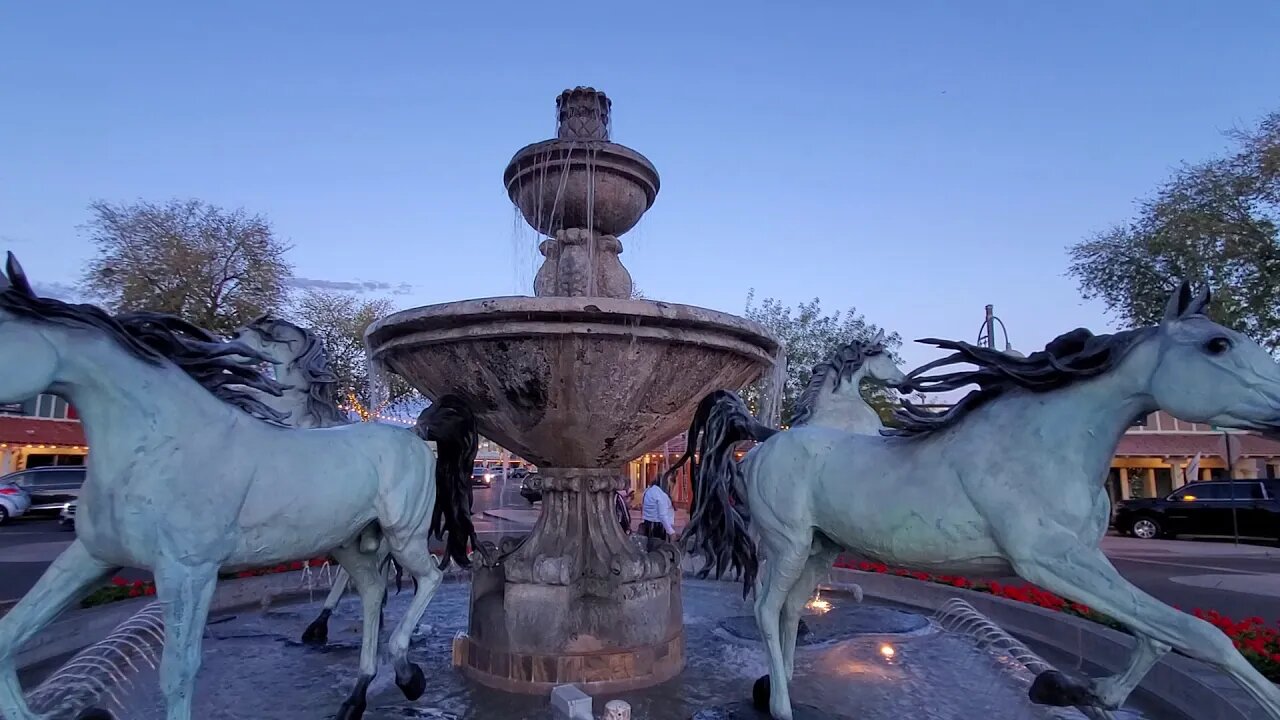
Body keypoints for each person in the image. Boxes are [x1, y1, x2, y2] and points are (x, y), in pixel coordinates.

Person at [640, 475, 676, 545]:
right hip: (658, 526)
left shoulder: (648, 491)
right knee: (658, 548)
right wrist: (671, 531)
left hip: (648, 523)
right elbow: (662, 515)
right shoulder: (661, 495)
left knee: (650, 546)